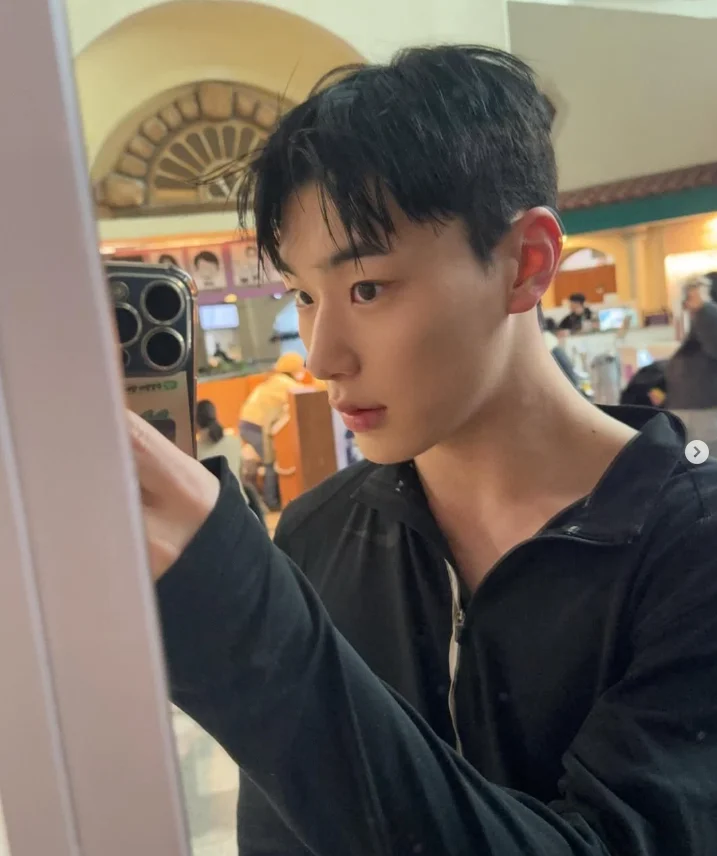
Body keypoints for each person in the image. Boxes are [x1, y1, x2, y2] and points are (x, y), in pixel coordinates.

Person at [133, 45, 717, 856]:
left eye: (367, 288)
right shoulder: (317, 531)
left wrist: (252, 633)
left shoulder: (690, 548)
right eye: (304, 295)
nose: (321, 354)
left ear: (525, 263)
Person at [238, 352, 304, 510]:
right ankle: (272, 502)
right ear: (294, 369)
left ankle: (271, 500)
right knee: (271, 461)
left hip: (248, 425)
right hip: (256, 427)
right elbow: (305, 395)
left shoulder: (273, 380)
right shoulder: (285, 383)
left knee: (271, 460)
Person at [196, 399, 265, 527]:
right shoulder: (234, 441)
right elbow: (242, 476)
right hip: (242, 505)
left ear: (195, 422)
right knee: (249, 489)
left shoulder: (195, 451)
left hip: (214, 513)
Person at [666, 276, 717, 446]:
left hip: (701, 410)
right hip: (693, 408)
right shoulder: (703, 318)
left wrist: (703, 306)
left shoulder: (708, 315)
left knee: (703, 456)